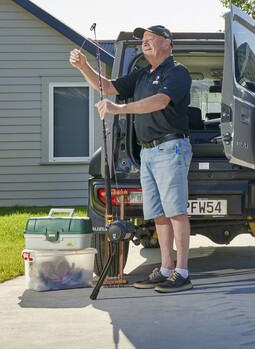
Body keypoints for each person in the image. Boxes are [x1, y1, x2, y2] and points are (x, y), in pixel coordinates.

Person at [69, 25, 193, 293]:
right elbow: (109, 87)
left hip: (170, 148)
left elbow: (161, 101)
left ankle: (182, 272)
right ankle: (166, 269)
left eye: (151, 39)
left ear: (167, 44)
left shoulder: (177, 72)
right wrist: (84, 67)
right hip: (147, 152)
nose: (145, 43)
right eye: (143, 40)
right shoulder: (141, 74)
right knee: (159, 215)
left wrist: (120, 108)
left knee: (176, 212)